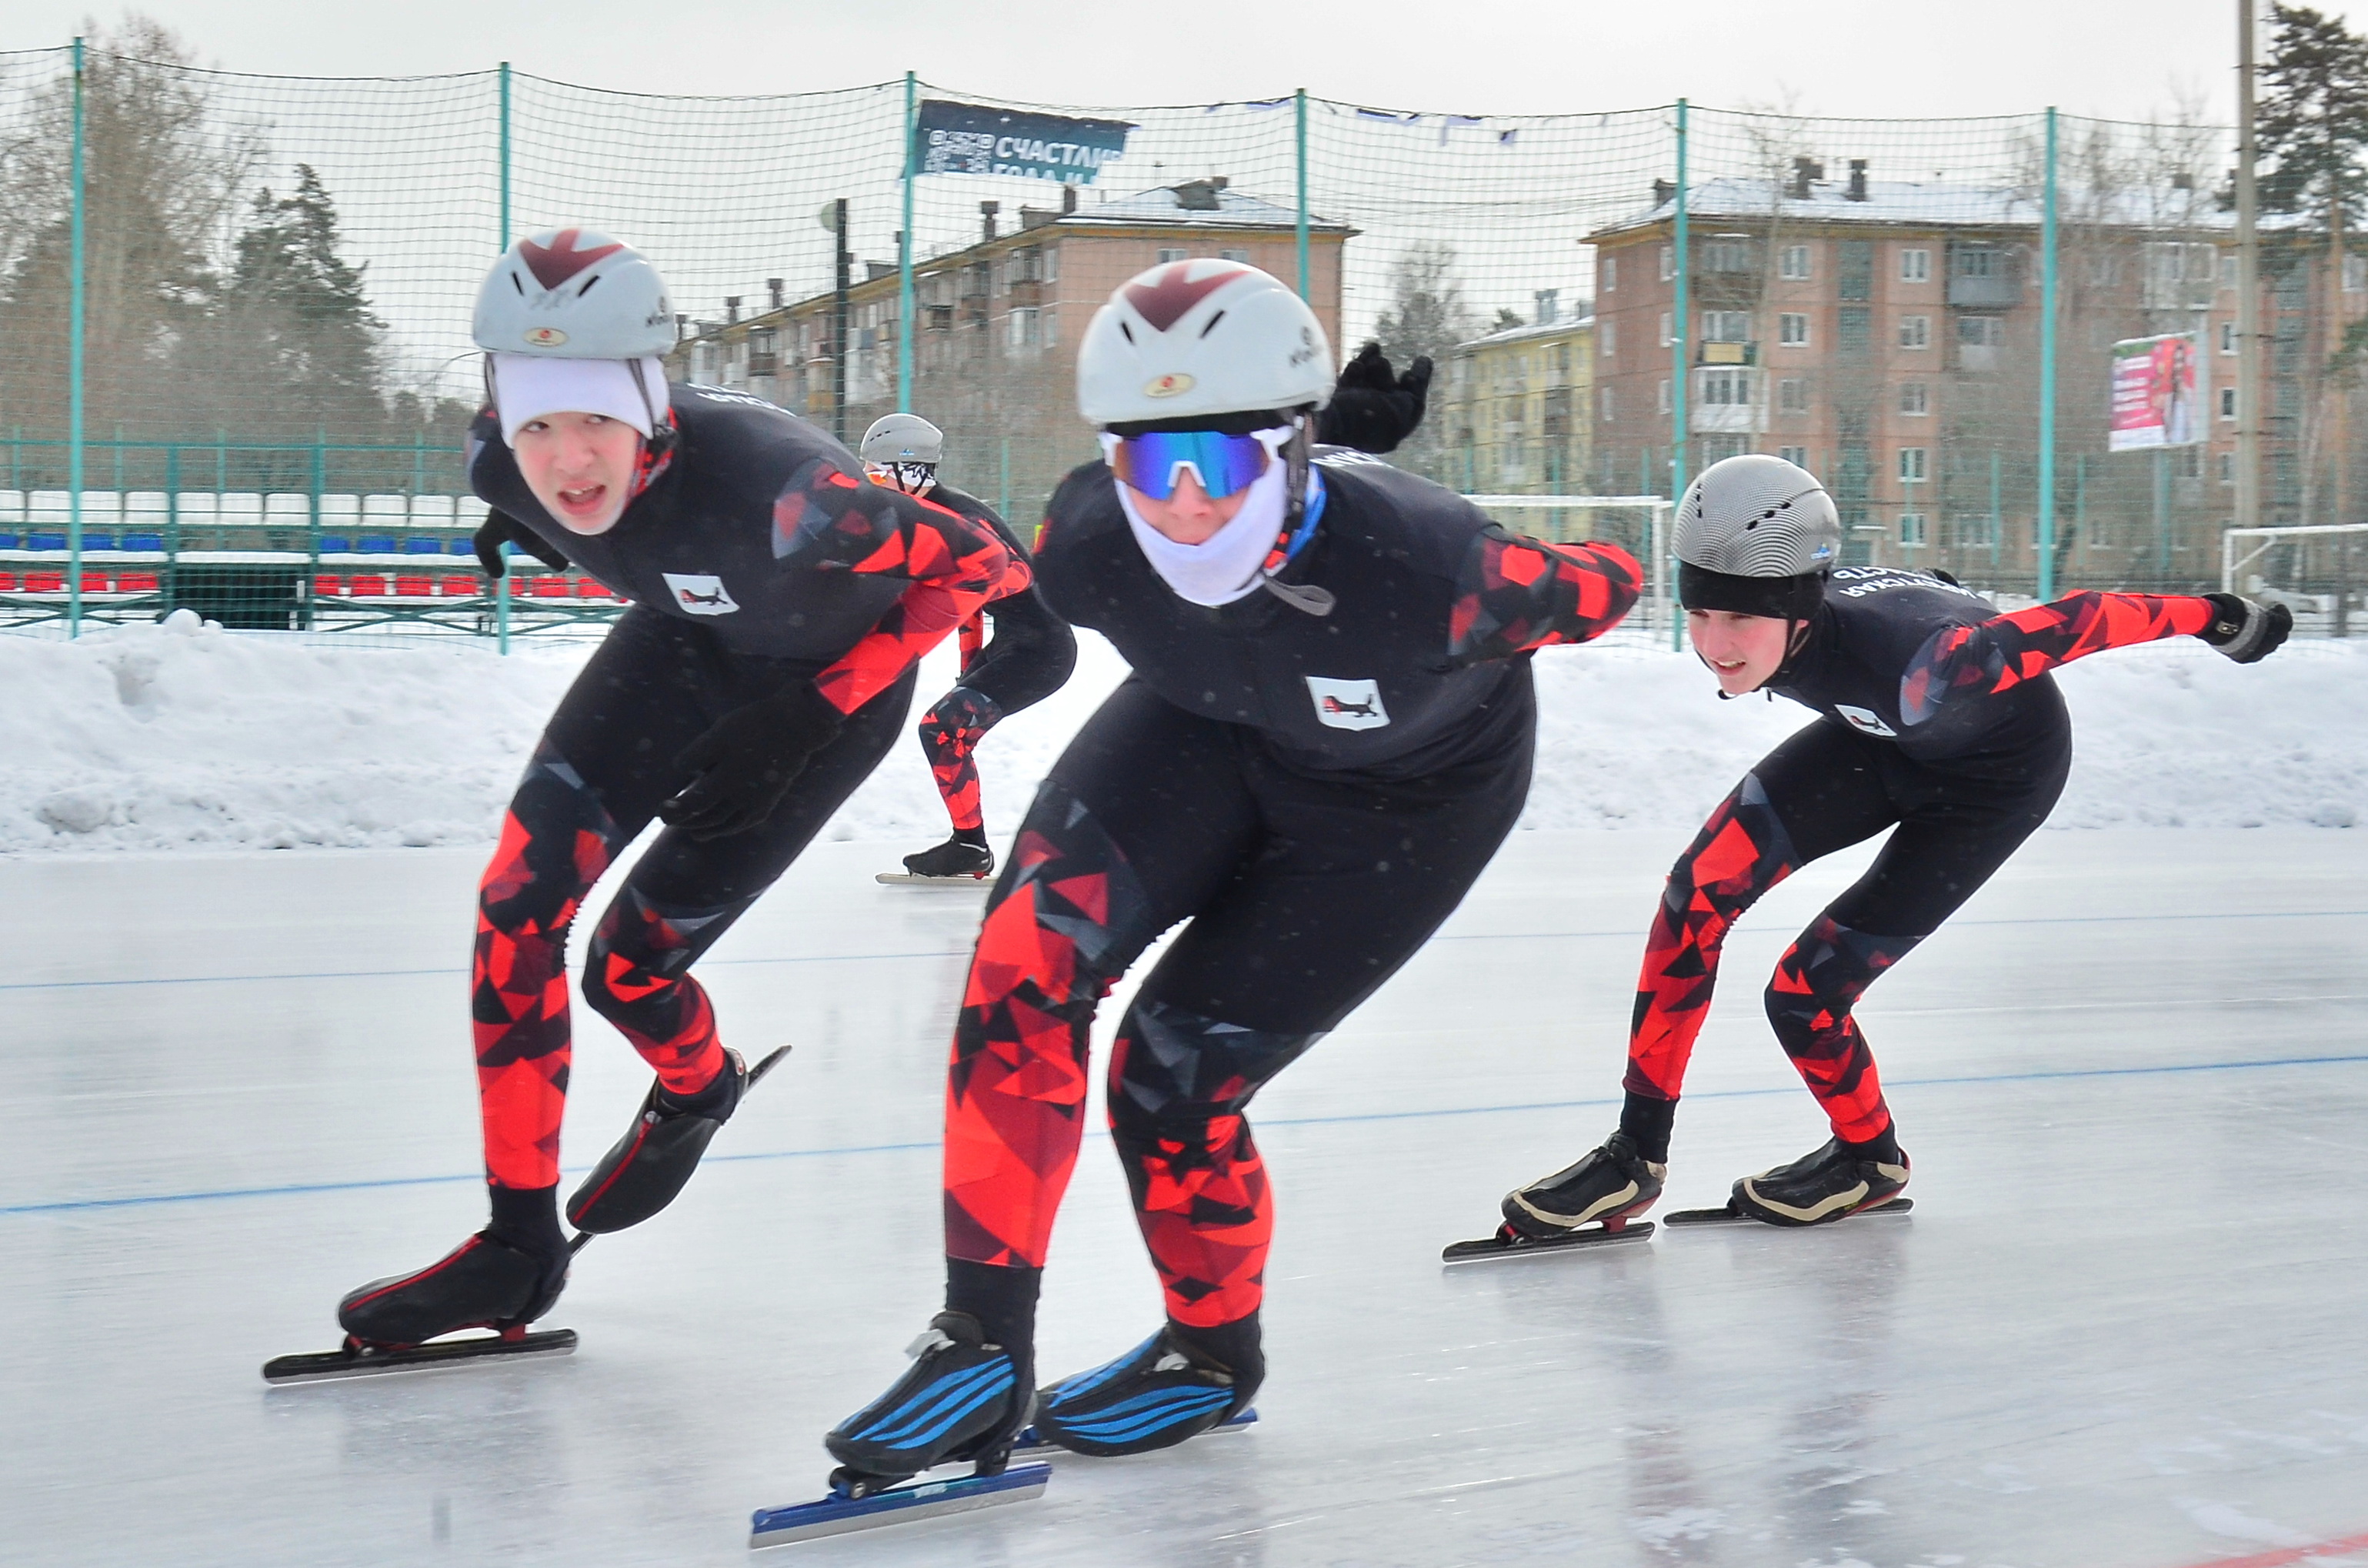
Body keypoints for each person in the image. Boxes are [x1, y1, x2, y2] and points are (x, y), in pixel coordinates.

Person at [819, 259, 1643, 1491]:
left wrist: (1371, 477)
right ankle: (980, 1339)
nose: (1187, 506)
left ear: (1291, 446)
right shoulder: (1084, 544)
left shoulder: (1444, 576)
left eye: (1225, 464)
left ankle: (1209, 1357)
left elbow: (1610, 584)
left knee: (1174, 1070)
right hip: (1204, 727)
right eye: (1151, 467)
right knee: (1018, 968)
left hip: (1402, 801)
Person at [333, 228, 1019, 1349]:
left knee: (627, 971)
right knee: (516, 909)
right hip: (683, 648)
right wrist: (532, 514)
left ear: (653, 407)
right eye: (537, 422)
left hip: (820, 698)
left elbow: (985, 568)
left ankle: (696, 1086)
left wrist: (807, 715)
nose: (567, 459)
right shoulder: (500, 463)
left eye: (598, 419)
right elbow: (565, 482)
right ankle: (516, 1247)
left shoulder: (789, 491)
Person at [1490, 452, 2292, 1239]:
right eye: (1699, 614)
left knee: (1805, 992)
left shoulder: (1931, 667)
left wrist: (2224, 618)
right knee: (1694, 895)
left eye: (1738, 618)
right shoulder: (1804, 610)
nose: (1714, 643)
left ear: (1799, 610)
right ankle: (1636, 1153)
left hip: (1991, 785)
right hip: (1879, 739)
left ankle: (1871, 1157)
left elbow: (2085, 618)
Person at [859, 412, 1077, 883]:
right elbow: (970, 603)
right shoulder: (931, 511)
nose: (872, 485)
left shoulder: (959, 515)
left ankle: (971, 847)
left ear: (911, 469)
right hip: (1016, 643)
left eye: (878, 474)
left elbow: (1015, 574)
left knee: (941, 730)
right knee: (946, 733)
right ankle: (970, 845)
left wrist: (951, 588)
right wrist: (970, 666)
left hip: (1043, 650)